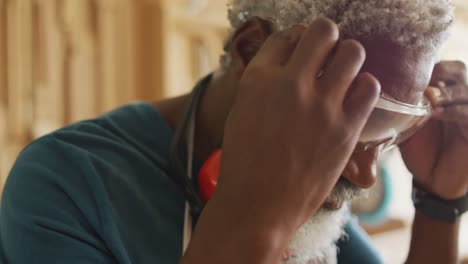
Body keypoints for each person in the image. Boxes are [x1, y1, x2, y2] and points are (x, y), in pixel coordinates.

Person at [1, 0, 467, 263]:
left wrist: (439, 207)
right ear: (252, 51)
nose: (366, 175)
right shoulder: (65, 183)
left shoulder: (324, 212)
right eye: (354, 120)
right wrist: (256, 218)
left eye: (389, 131)